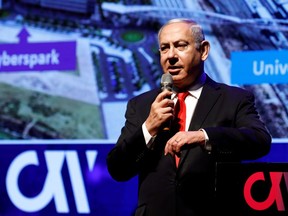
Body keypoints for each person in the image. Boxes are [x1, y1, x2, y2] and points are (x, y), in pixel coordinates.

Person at [106, 18, 271, 216]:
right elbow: (118, 169)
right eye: (164, 48)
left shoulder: (233, 99)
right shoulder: (141, 105)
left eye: (180, 46)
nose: (171, 56)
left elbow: (260, 141)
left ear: (204, 50)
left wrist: (203, 137)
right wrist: (148, 128)